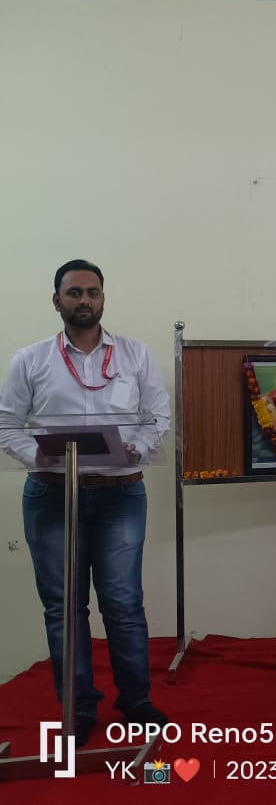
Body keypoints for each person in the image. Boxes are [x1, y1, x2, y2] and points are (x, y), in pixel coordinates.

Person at [0, 259, 171, 745]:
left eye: (92, 292)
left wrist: (136, 448)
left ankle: (136, 703)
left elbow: (158, 417)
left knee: (123, 603)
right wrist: (40, 456)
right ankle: (77, 709)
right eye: (74, 292)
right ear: (57, 300)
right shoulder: (30, 359)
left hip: (120, 495)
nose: (84, 300)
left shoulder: (136, 355)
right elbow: (6, 423)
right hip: (51, 496)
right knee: (63, 608)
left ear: (103, 299)